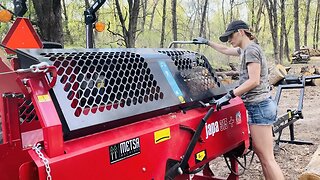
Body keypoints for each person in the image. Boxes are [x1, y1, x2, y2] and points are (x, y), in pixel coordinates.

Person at [194, 20, 284, 180]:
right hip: (259, 106)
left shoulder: (251, 50)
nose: (229, 39)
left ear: (241, 32)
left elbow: (254, 80)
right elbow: (226, 50)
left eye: (231, 35)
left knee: (267, 159)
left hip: (259, 107)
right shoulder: (245, 50)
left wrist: (230, 95)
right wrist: (207, 42)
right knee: (264, 157)